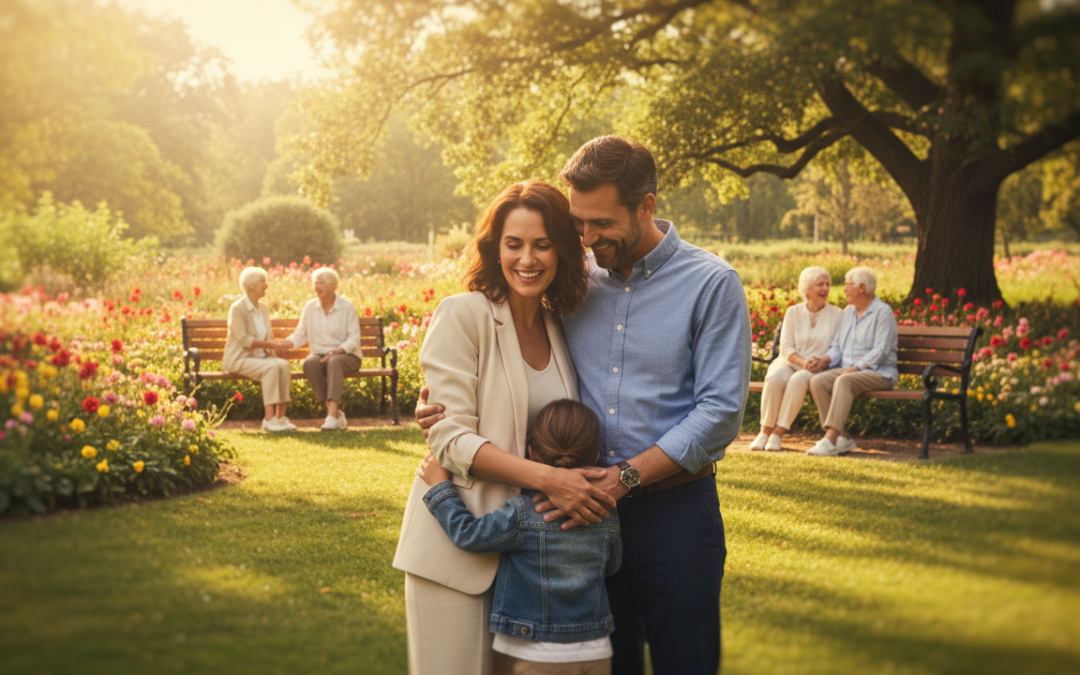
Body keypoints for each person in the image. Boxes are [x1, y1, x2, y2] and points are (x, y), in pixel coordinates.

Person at [418, 136, 752, 675]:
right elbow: (507, 345)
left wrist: (623, 478)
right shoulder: (573, 283)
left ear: (645, 206)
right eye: (578, 223)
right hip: (574, 519)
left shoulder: (711, 284)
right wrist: (441, 403)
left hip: (674, 514)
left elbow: (719, 415)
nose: (588, 238)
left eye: (600, 223)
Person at [393, 181, 616, 675]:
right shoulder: (463, 314)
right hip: (457, 548)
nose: (528, 259)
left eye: (541, 244)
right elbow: (449, 438)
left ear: (562, 248)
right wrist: (551, 481)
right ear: (495, 249)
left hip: (534, 569)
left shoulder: (560, 327)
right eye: (514, 244)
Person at [415, 398, 621, 675]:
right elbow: (612, 565)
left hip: (534, 651)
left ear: (531, 453)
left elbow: (469, 535)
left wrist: (440, 487)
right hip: (596, 648)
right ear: (595, 456)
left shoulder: (522, 513)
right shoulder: (606, 511)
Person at [807, 266, 898, 456]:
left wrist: (857, 367)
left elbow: (881, 350)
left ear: (862, 288)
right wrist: (825, 359)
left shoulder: (883, 312)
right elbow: (838, 346)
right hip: (850, 371)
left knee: (844, 380)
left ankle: (830, 439)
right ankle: (843, 439)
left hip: (879, 373)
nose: (845, 289)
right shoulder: (848, 312)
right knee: (817, 381)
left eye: (849, 285)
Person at [749, 266, 842, 452]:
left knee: (798, 380)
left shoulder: (837, 314)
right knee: (774, 377)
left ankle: (777, 433)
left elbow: (838, 346)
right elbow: (786, 347)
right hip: (790, 361)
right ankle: (764, 431)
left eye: (828, 284)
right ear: (807, 288)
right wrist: (802, 362)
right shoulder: (793, 312)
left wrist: (823, 360)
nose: (825, 289)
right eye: (820, 284)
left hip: (817, 368)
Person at [280, 267, 363, 430]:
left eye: (321, 283)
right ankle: (335, 412)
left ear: (333, 286)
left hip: (347, 355)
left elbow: (354, 338)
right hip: (319, 355)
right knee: (309, 363)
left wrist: (335, 352)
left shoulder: (347, 307)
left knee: (334, 362)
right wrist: (287, 343)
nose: (317, 287)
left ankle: (332, 415)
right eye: (315, 283)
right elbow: (301, 334)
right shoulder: (310, 307)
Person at [222, 266, 296, 432]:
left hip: (261, 357)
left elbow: (268, 335)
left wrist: (276, 347)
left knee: (283, 365)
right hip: (239, 359)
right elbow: (243, 339)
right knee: (270, 368)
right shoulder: (237, 308)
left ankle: (280, 419)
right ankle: (268, 420)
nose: (266, 285)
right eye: (263, 282)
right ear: (251, 287)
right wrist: (270, 345)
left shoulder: (263, 307)